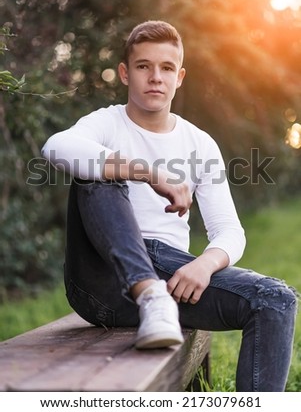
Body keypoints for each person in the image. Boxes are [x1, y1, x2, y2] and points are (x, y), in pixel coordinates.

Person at [42, 20, 297, 391]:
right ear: (126, 74)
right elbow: (56, 147)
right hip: (99, 281)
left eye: (165, 68)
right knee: (96, 170)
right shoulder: (106, 123)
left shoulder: (199, 143)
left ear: (179, 77)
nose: (155, 77)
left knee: (277, 300)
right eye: (144, 66)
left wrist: (205, 265)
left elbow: (229, 229)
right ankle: (148, 293)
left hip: (171, 278)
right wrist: (149, 173)